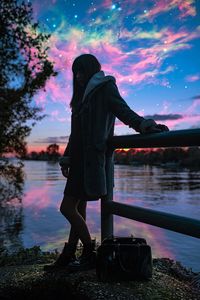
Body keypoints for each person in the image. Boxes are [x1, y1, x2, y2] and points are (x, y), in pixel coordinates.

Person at [44, 53, 169, 272]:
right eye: (75, 73)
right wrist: (67, 158)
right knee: (77, 208)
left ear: (91, 69)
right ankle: (69, 254)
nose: (78, 76)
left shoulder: (105, 87)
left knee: (67, 208)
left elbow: (123, 110)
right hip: (78, 162)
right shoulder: (81, 97)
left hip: (91, 161)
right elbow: (75, 134)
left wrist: (145, 125)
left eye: (81, 71)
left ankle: (89, 252)